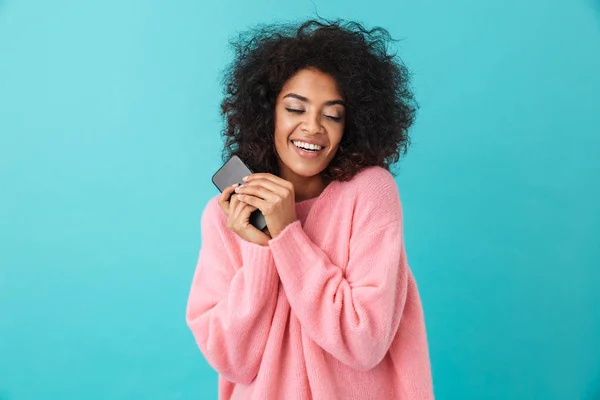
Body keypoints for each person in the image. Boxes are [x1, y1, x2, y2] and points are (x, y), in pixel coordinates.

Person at [186, 19, 434, 399]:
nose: (312, 127)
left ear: (350, 125)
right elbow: (232, 359)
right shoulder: (226, 217)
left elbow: (364, 341)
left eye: (332, 115)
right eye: (295, 109)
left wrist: (287, 236)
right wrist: (260, 249)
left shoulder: (369, 193)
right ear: (268, 113)